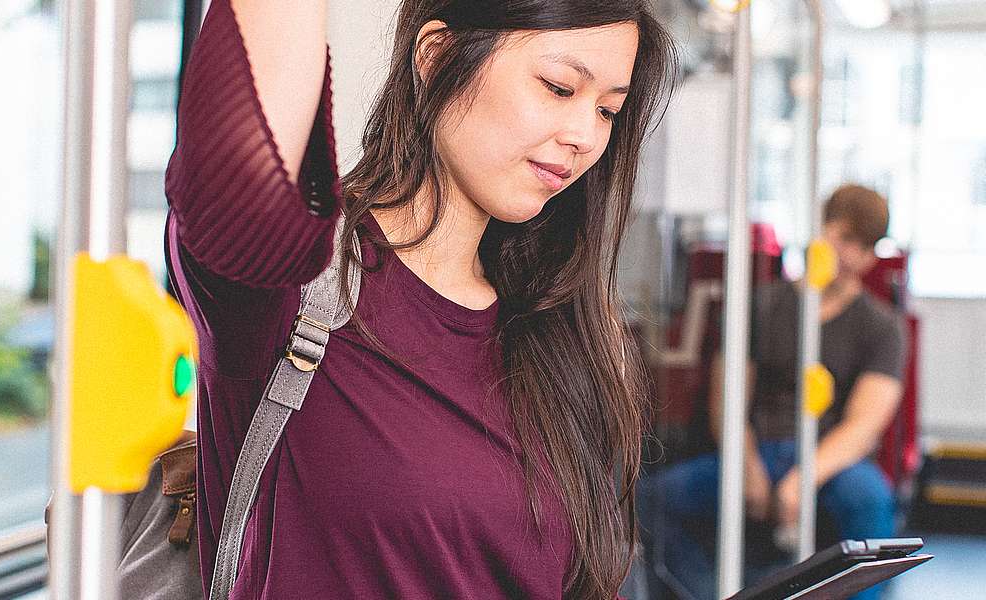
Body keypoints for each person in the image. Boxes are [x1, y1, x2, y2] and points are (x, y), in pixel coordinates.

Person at [164, 1, 673, 597]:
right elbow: (235, 177)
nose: (585, 136)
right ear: (435, 57)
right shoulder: (291, 295)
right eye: (559, 87)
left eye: (609, 110)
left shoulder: (558, 329)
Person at [640, 184, 907, 600]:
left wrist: (801, 480)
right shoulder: (760, 305)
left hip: (831, 460)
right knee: (649, 503)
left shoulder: (882, 327)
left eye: (861, 246)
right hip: (759, 447)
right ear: (820, 230)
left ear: (871, 255)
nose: (847, 255)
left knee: (871, 503)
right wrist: (747, 467)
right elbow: (727, 399)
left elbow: (863, 426)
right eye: (841, 237)